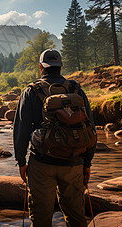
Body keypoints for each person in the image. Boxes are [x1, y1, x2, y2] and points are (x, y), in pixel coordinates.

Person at [13, 49, 96, 227]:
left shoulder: (30, 92)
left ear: (41, 67)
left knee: (41, 219)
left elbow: (21, 130)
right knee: (76, 218)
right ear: (60, 67)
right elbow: (90, 128)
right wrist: (87, 163)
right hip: (74, 164)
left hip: (41, 165)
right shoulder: (76, 89)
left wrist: (21, 161)